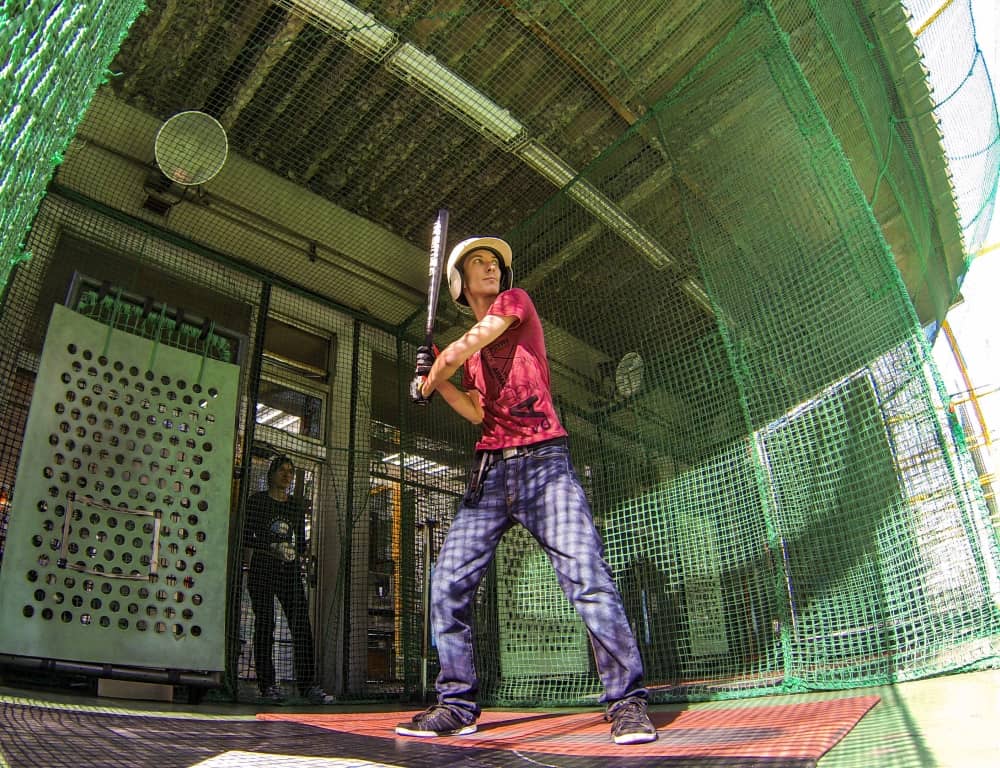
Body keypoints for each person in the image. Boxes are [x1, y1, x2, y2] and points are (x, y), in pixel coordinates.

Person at [395, 236, 657, 744]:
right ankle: (456, 705)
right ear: (459, 283)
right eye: (478, 262)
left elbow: (474, 340)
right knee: (447, 583)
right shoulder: (466, 357)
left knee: (586, 574)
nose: (490, 267)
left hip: (545, 465)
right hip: (490, 473)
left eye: (494, 262)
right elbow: (476, 411)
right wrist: (436, 381)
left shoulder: (515, 304)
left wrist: (434, 367)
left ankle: (626, 701)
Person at [243, 454, 334, 705]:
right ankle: (267, 685)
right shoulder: (257, 501)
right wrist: (270, 547)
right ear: (271, 474)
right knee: (265, 624)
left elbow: (301, 542)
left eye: (291, 471)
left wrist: (298, 553)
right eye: (282, 470)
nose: (287, 475)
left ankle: (308, 686)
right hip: (262, 568)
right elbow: (246, 536)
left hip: (289, 571)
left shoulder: (295, 505)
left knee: (302, 626)